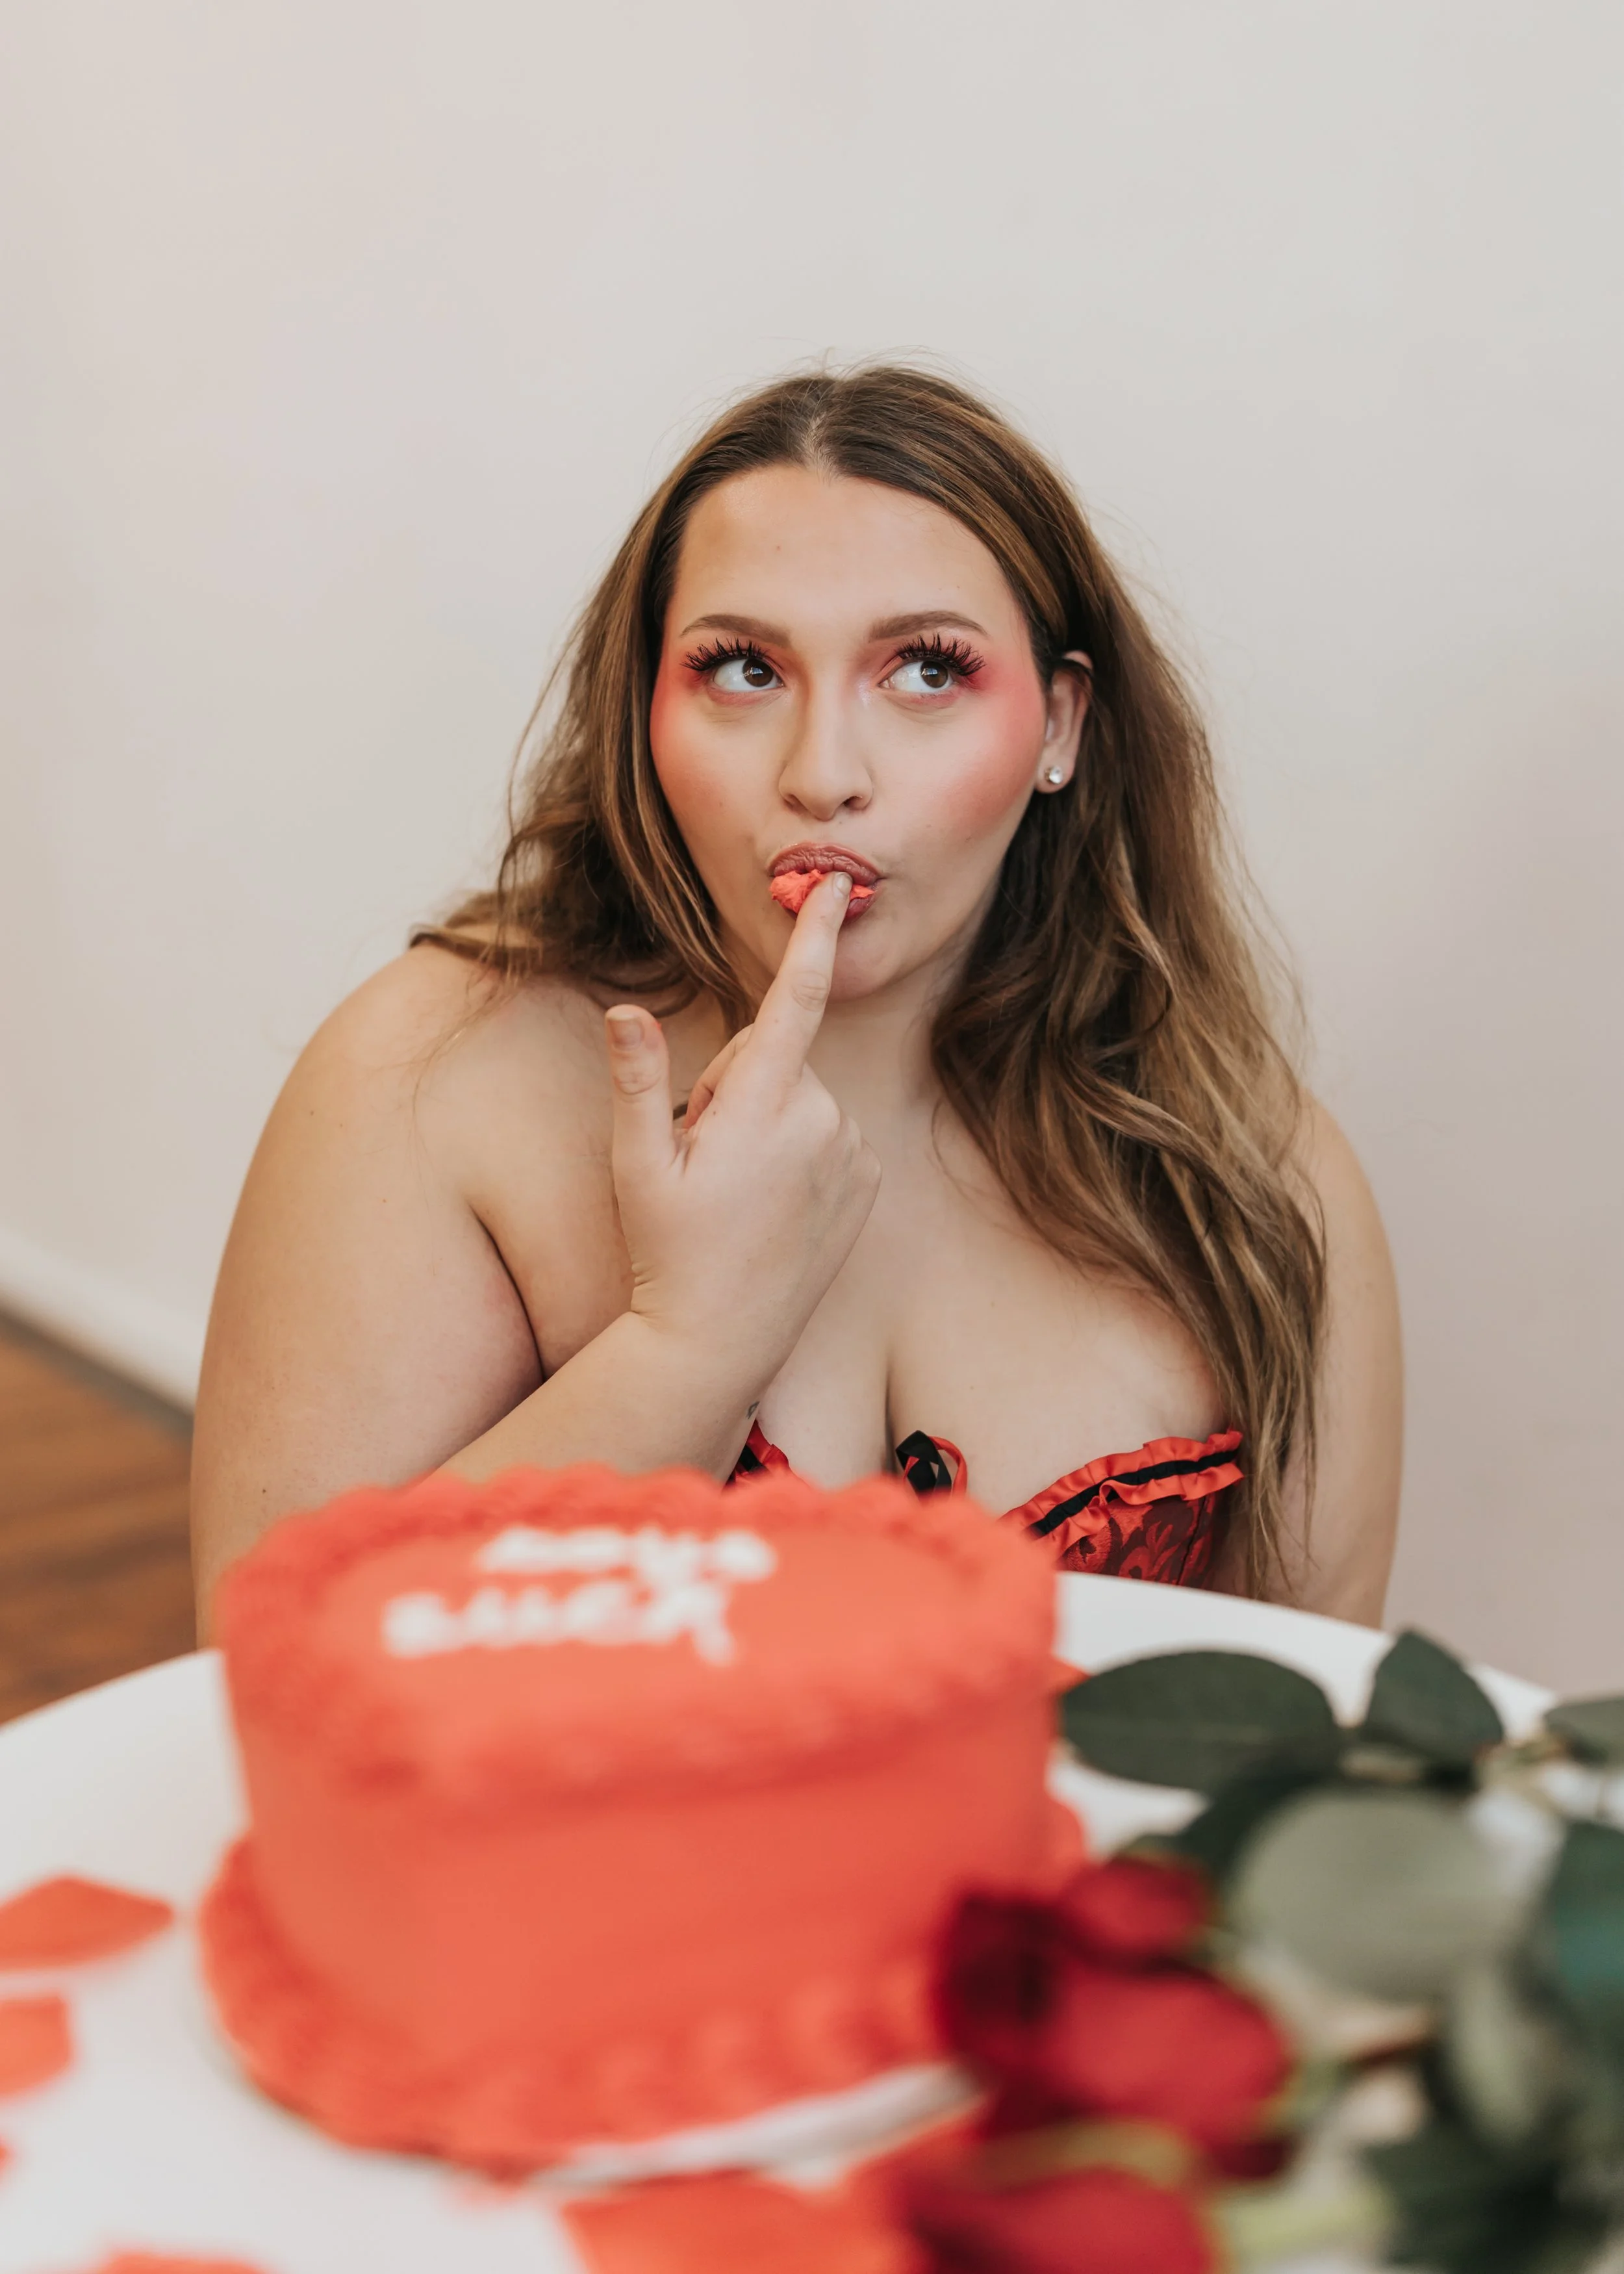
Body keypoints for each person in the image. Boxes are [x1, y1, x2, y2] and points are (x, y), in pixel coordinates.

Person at [190, 366, 1401, 1624]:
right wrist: (685, 1347)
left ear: (1059, 725)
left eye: (926, 671)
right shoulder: (428, 1082)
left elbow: (1322, 1749)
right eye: (741, 670)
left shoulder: (1258, 1179)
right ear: (644, 709)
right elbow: (265, 1678)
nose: (823, 774)